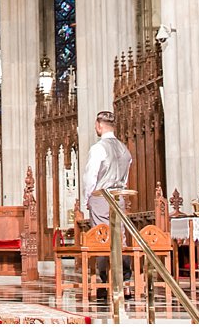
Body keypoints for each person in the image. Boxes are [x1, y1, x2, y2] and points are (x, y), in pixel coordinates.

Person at [80, 110, 133, 291]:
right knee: (120, 236)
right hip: (120, 195)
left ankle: (105, 281)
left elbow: (91, 176)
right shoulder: (124, 148)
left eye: (96, 125)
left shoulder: (98, 148)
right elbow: (126, 175)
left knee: (102, 237)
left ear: (100, 125)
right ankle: (124, 279)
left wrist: (87, 197)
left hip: (101, 196)